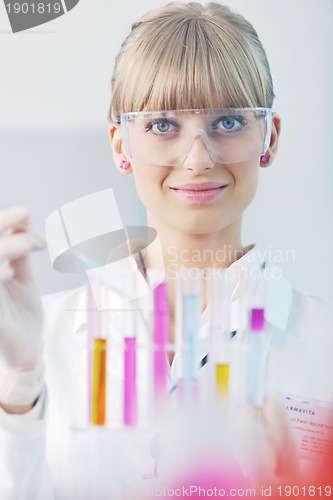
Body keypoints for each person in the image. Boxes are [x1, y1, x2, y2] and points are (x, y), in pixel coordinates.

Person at [0, 2, 332, 498]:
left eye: (227, 122)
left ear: (270, 136)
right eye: (162, 125)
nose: (197, 159)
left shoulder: (323, 345)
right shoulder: (35, 345)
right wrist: (18, 397)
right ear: (120, 144)